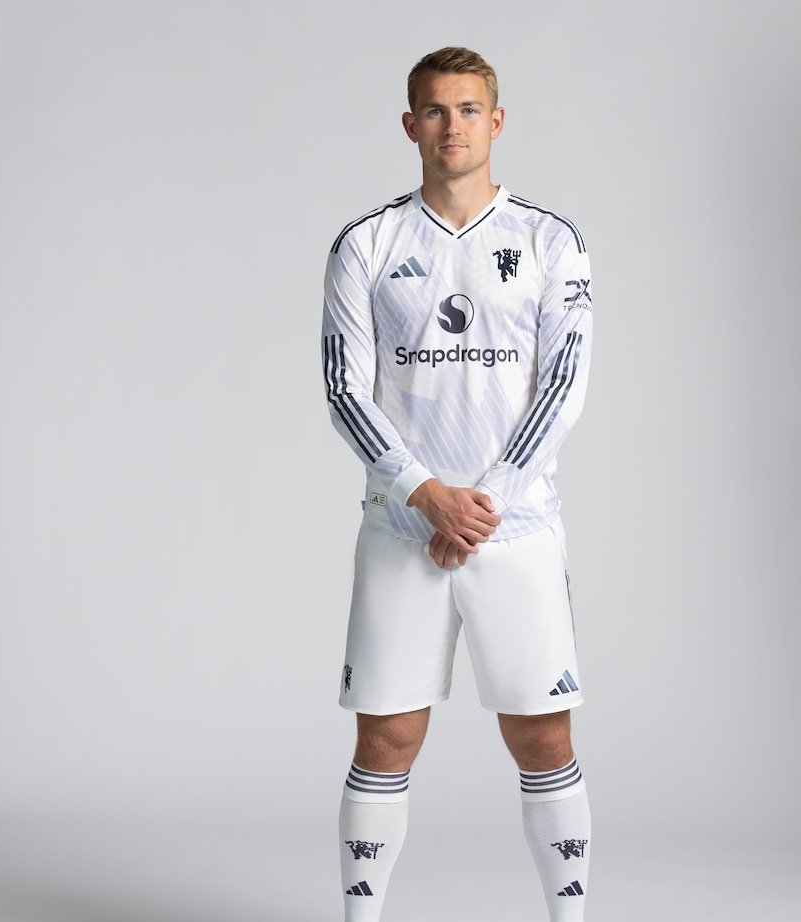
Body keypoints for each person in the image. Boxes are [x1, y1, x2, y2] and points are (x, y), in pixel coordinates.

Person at [321, 46, 594, 921]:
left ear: (497, 121)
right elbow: (344, 389)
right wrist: (425, 494)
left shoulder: (551, 241)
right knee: (386, 736)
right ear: (411, 125)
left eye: (469, 109)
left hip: (516, 532)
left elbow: (563, 386)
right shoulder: (366, 243)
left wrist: (483, 504)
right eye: (436, 111)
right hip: (404, 531)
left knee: (542, 736)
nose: (453, 126)